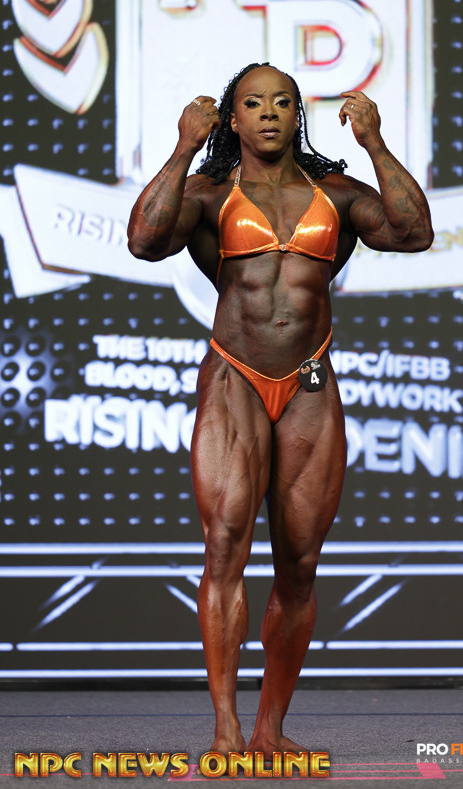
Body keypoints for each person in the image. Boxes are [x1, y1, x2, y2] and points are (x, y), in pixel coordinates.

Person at [127, 62, 433, 757]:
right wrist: (183, 146)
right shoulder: (208, 192)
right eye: (253, 103)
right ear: (232, 118)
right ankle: (226, 730)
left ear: (298, 115)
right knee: (225, 549)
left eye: (282, 102)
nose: (269, 112)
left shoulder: (337, 193)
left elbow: (413, 231)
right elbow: (144, 241)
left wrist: (375, 144)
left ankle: (269, 728)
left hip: (309, 385)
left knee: (300, 564)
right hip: (234, 378)